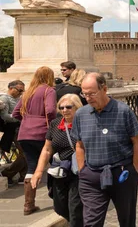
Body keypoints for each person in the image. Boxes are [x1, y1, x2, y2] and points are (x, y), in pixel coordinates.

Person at [72, 73, 138, 226]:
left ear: (104, 89)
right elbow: (79, 145)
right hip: (91, 176)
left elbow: (137, 140)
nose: (88, 98)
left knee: (126, 219)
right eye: (84, 94)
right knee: (91, 223)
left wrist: (135, 169)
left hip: (121, 174)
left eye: (91, 93)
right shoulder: (80, 114)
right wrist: (82, 170)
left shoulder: (123, 111)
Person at [31, 94, 84, 226]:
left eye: (68, 107)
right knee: (60, 206)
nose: (64, 110)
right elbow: (47, 149)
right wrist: (38, 171)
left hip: (79, 171)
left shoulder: (85, 123)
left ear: (77, 107)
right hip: (61, 170)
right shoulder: (55, 124)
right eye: (61, 107)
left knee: (75, 208)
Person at [12, 66, 57, 215]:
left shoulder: (28, 92)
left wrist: (27, 120)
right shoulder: (48, 90)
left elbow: (15, 113)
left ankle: (28, 205)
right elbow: (50, 110)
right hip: (42, 132)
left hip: (25, 134)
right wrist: (50, 123)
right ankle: (60, 199)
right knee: (56, 163)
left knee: (31, 167)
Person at [0, 80, 27, 185]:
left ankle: (23, 175)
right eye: (19, 90)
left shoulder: (18, 99)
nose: (21, 93)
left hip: (21, 128)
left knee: (25, 152)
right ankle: (8, 173)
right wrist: (19, 117)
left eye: (22, 91)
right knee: (25, 152)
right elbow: (5, 116)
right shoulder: (4, 99)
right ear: (11, 88)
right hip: (13, 129)